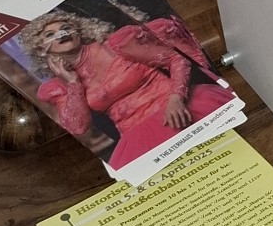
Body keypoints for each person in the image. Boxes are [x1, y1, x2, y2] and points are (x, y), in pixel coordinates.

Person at [19, 9, 230, 171]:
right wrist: (73, 82)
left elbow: (176, 59)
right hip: (138, 137)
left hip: (179, 106)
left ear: (78, 32)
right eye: (50, 34)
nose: (61, 34)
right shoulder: (58, 86)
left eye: (66, 27)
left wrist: (176, 98)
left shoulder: (116, 45)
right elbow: (78, 127)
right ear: (41, 49)